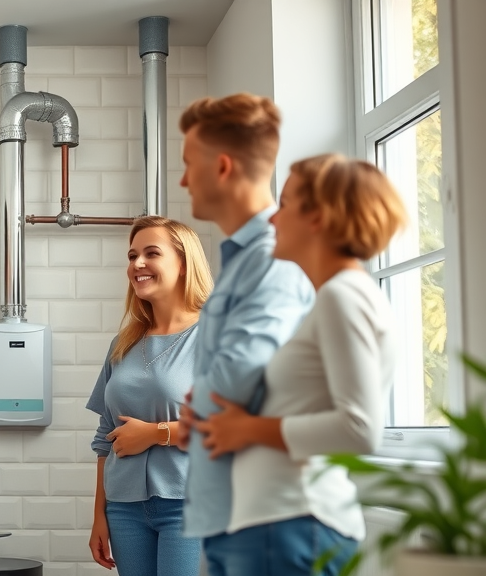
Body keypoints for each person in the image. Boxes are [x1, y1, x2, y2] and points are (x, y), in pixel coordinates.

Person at [192, 154, 406, 575]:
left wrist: (246, 428)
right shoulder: (335, 296)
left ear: (319, 217)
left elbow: (359, 429)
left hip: (292, 523)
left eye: (286, 204)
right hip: (272, 523)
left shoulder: (344, 296)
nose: (272, 220)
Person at [173, 94, 315, 574]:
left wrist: (195, 411)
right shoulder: (238, 264)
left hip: (271, 516)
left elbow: (242, 369)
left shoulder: (274, 261)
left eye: (190, 164)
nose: (183, 179)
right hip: (235, 510)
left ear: (224, 167)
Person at [86, 216, 213, 575]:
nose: (137, 264)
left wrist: (155, 434)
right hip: (124, 509)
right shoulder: (123, 344)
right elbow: (104, 438)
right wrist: (100, 515)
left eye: (151, 253)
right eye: (132, 256)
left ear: (184, 263)